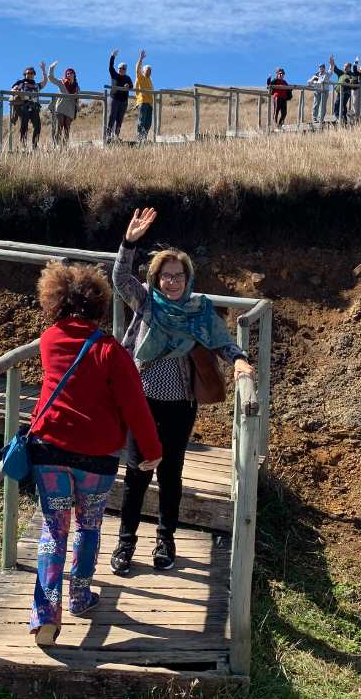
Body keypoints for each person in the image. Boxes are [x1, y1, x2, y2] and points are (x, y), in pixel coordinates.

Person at [27, 261, 163, 645]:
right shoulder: (111, 351)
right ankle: (80, 596)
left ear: (55, 300)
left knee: (54, 528)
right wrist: (152, 451)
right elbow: (135, 406)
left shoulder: (49, 339)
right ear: (99, 304)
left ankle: (44, 614)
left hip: (49, 449)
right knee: (87, 527)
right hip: (97, 458)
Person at [111, 207, 253, 573]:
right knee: (138, 472)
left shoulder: (198, 310)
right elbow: (120, 277)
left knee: (171, 473)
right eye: (166, 276)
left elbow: (222, 342)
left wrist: (238, 359)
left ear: (188, 278)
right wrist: (129, 242)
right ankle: (125, 543)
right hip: (140, 401)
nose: (172, 282)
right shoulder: (144, 301)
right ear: (156, 279)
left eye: (178, 276)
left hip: (180, 405)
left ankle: (165, 539)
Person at [9, 66, 46, 150]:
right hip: (23, 106)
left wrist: (43, 70)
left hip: (34, 107)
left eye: (31, 73)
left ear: (34, 74)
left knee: (37, 126)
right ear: (24, 74)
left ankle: (34, 146)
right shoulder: (20, 83)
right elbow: (12, 90)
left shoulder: (36, 85)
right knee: (24, 126)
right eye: (27, 73)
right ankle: (23, 145)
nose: (29, 75)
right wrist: (17, 91)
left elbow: (45, 82)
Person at [46, 61, 79, 146]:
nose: (69, 74)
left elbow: (77, 99)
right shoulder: (62, 83)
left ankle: (65, 146)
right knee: (59, 126)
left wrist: (76, 109)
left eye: (71, 73)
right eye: (67, 73)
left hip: (70, 110)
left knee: (67, 128)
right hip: (60, 108)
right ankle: (57, 145)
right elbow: (51, 78)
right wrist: (51, 68)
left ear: (74, 75)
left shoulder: (77, 87)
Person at [105, 49, 134, 142]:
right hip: (114, 99)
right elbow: (110, 67)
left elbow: (132, 86)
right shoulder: (114, 75)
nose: (121, 69)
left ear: (125, 70)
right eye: (120, 68)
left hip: (123, 101)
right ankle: (108, 136)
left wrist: (128, 85)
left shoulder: (127, 78)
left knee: (119, 119)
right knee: (111, 117)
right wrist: (112, 56)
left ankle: (116, 136)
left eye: (123, 68)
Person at [134, 50, 155, 143]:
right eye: (147, 70)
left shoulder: (150, 80)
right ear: (144, 71)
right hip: (142, 102)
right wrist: (141, 59)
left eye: (150, 71)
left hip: (150, 103)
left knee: (148, 122)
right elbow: (137, 69)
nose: (149, 72)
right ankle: (139, 137)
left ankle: (144, 137)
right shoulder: (141, 77)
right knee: (142, 120)